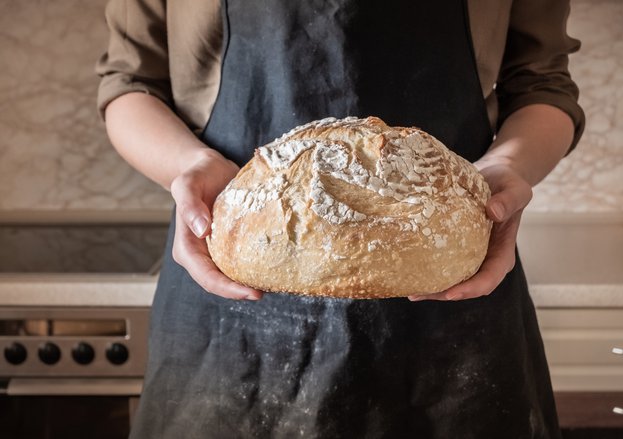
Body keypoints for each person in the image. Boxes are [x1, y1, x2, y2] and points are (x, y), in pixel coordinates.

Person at [97, 0, 585, 437]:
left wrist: (506, 169)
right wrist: (189, 166)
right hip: (229, 282)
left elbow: (542, 83)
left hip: (452, 291)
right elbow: (130, 83)